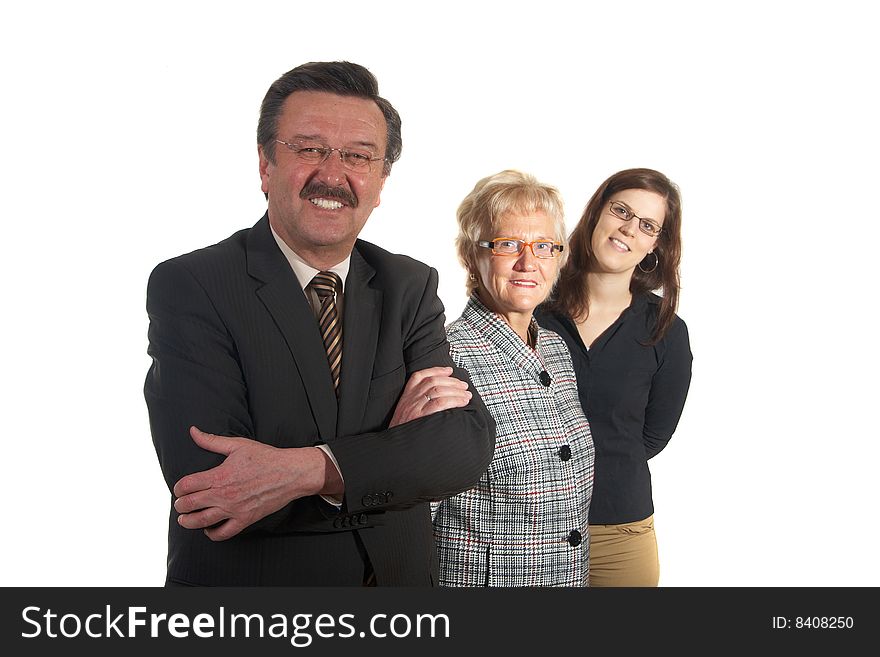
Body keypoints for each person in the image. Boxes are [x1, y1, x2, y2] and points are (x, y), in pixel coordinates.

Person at [144, 61, 495, 586]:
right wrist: (390, 453)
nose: (333, 174)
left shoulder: (408, 285)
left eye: (358, 156)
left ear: (380, 182)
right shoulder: (194, 285)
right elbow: (213, 491)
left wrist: (307, 469)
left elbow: (465, 446)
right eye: (309, 149)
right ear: (265, 166)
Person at [432, 170, 594, 587]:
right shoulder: (447, 357)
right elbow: (418, 508)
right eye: (507, 244)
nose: (528, 262)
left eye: (543, 246)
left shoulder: (557, 349)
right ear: (472, 255)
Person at [535, 167, 692, 587]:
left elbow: (651, 437)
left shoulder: (666, 330)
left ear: (655, 244)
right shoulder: (532, 307)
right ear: (597, 213)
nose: (628, 229)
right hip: (527, 528)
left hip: (620, 534)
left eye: (647, 225)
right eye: (620, 210)